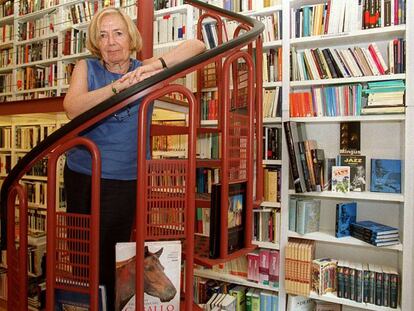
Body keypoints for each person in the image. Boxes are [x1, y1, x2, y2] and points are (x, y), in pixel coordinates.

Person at [62, 6, 205, 309]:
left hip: (124, 178)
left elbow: (198, 46)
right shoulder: (86, 68)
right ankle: (88, 304)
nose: (111, 41)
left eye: (118, 33)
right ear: (96, 42)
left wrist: (154, 65)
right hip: (83, 175)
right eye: (103, 35)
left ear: (130, 37)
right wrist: (118, 87)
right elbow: (73, 107)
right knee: (83, 254)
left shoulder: (145, 69)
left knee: (113, 256)